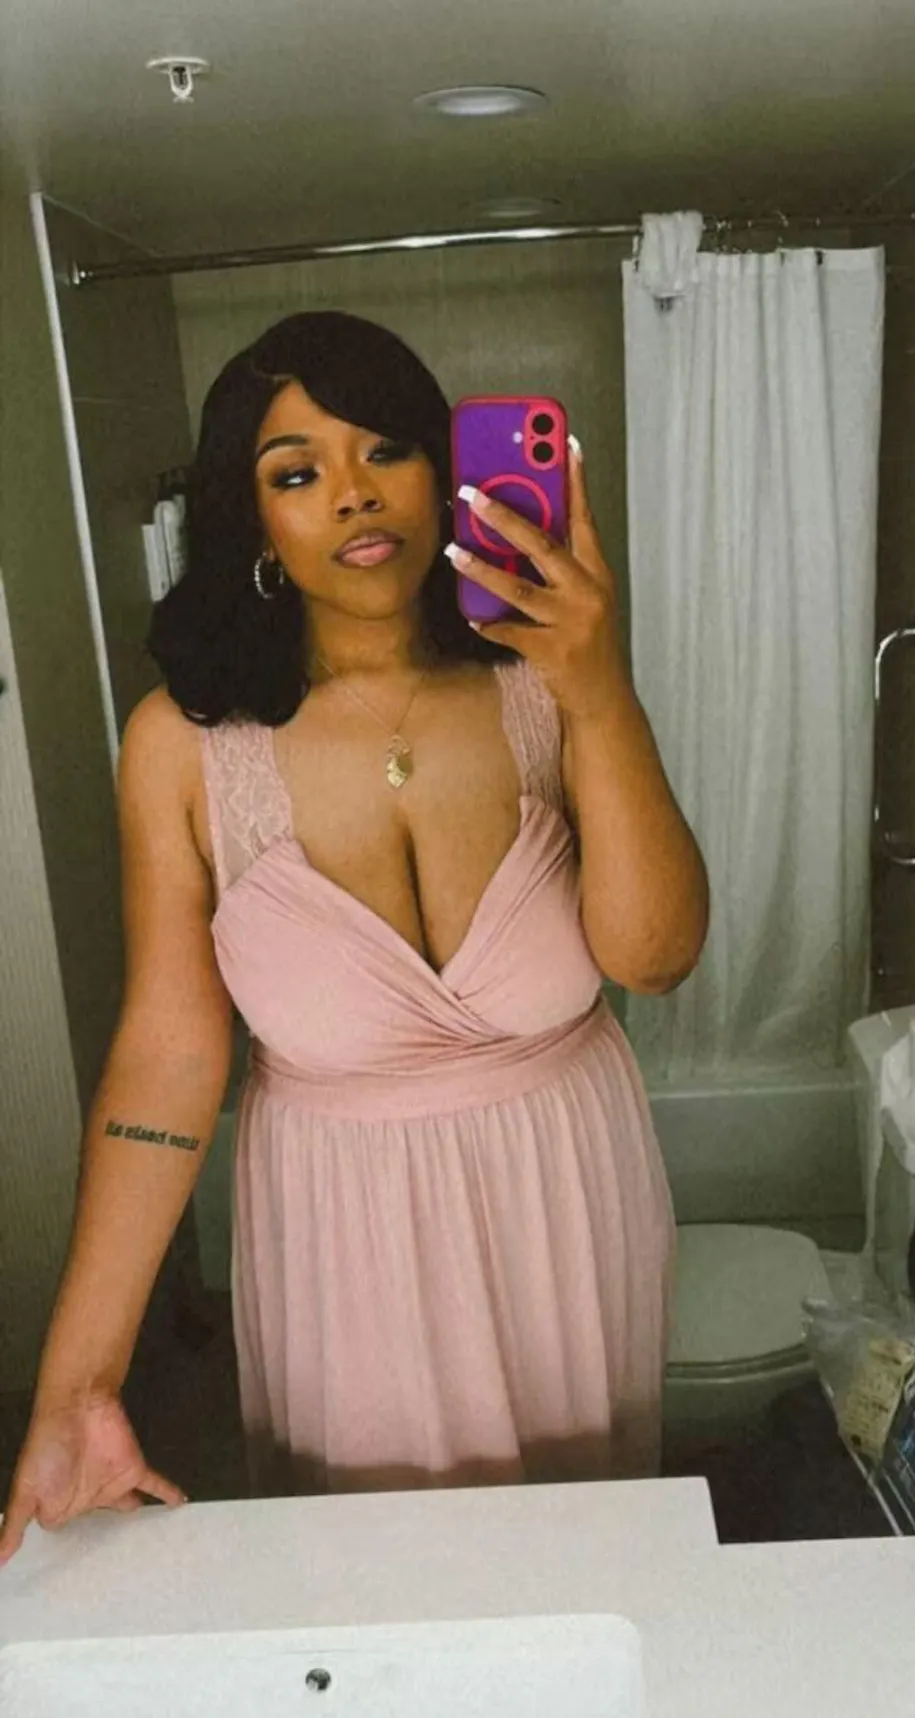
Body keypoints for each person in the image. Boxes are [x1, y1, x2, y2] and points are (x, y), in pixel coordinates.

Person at [0, 311, 708, 1564]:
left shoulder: (548, 684)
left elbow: (653, 956)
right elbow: (166, 1061)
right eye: (296, 471)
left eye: (386, 448)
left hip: (562, 1198)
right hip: (344, 1234)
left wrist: (600, 688)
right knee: (374, 1586)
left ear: (443, 471)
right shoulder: (178, 747)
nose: (353, 493)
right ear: (250, 518)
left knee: (585, 1566)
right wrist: (78, 1384)